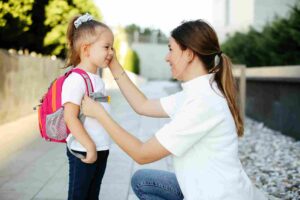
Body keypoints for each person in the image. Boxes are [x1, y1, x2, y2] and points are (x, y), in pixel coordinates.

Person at [81, 19, 267, 200]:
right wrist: (113, 64)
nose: (166, 57)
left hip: (217, 195)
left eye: (171, 49)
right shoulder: (197, 91)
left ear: (189, 54)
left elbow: (142, 154)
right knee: (142, 181)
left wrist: (100, 114)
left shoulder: (202, 102)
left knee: (143, 176)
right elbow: (143, 105)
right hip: (205, 185)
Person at [62, 13, 113, 200]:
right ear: (86, 49)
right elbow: (70, 117)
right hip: (83, 150)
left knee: (92, 196)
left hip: (100, 149)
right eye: (106, 47)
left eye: (112, 47)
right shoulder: (76, 79)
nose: (111, 52)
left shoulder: (97, 78)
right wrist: (90, 146)